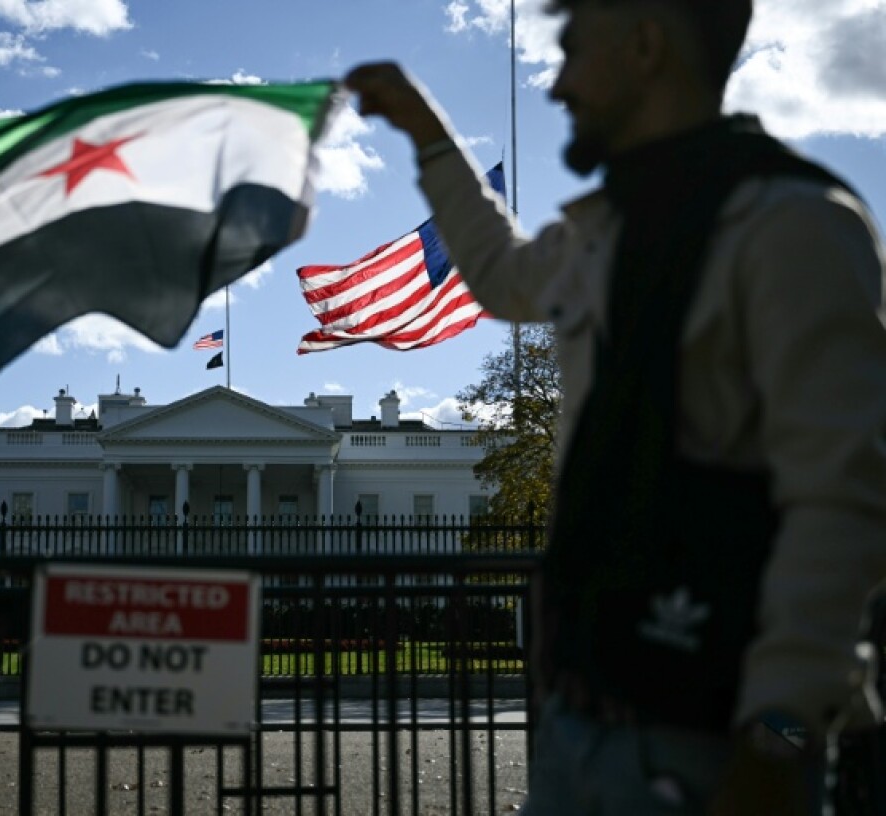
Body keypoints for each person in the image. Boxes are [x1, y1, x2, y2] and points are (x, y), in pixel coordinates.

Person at [346, 0, 886, 813]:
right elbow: (497, 272)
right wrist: (426, 131)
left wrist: (778, 751)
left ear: (644, 46)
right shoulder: (603, 235)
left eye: (571, 52)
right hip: (575, 727)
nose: (558, 85)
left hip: (718, 752)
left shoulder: (793, 227)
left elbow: (843, 515)